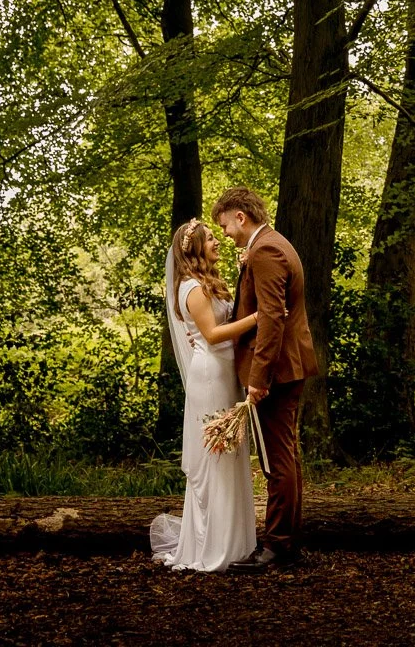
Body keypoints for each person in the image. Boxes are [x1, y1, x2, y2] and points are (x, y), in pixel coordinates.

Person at [211, 186, 319, 573]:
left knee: (278, 461)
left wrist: (259, 378)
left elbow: (273, 318)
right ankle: (286, 542)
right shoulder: (272, 244)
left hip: (277, 369)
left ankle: (277, 547)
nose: (224, 234)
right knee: (285, 455)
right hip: (288, 365)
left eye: (224, 225)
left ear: (241, 216)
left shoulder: (266, 251)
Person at [149, 218, 262, 572]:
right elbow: (213, 335)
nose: (217, 241)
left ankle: (234, 542)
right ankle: (213, 547)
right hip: (210, 376)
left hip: (224, 373)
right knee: (216, 459)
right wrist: (259, 317)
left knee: (230, 457)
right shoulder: (190, 288)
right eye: (210, 238)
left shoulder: (207, 283)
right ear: (196, 248)